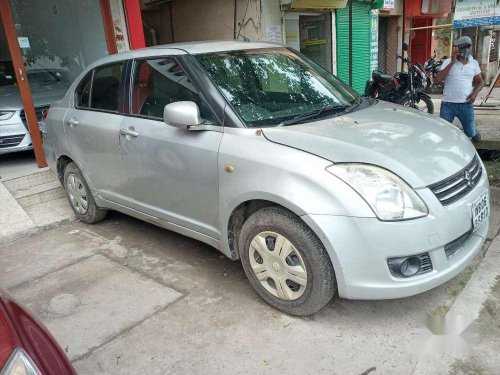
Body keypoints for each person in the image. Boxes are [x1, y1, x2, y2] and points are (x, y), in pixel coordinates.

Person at [436, 36, 484, 143]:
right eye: (462, 47)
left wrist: (474, 94)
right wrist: (452, 62)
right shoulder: (448, 61)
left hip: (466, 104)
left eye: (468, 46)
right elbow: (438, 79)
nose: (466, 49)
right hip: (448, 104)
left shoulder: (474, 63)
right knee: (443, 132)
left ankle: (473, 131)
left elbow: (480, 82)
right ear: (456, 48)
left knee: (470, 133)